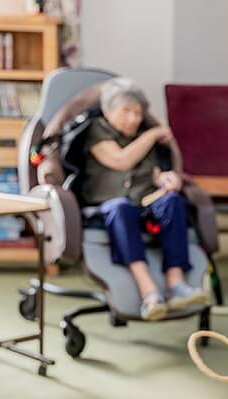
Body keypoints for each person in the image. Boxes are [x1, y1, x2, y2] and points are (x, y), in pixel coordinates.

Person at [81, 78, 207, 321]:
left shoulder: (143, 136)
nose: (133, 119)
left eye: (138, 113)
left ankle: (176, 283)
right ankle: (148, 291)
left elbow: (156, 174)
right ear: (108, 111)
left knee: (172, 201)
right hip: (109, 206)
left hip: (144, 203)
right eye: (126, 111)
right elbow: (121, 161)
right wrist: (155, 133)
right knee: (120, 208)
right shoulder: (97, 130)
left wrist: (168, 180)